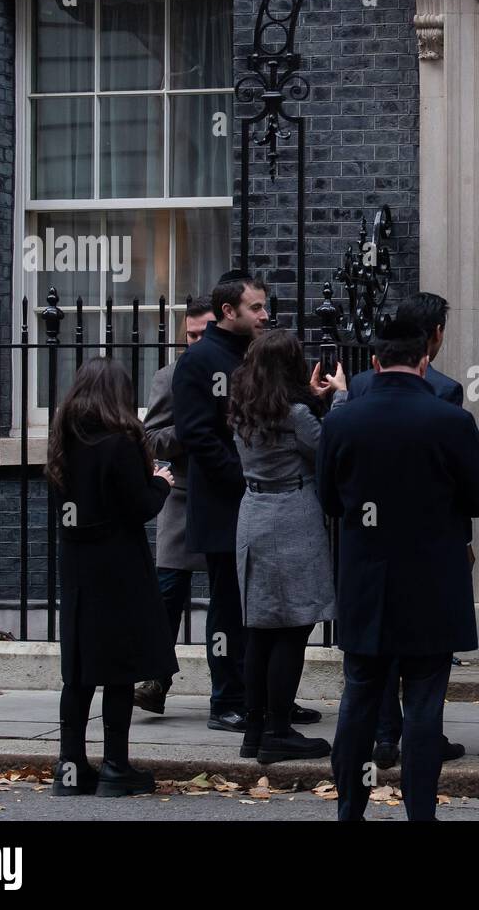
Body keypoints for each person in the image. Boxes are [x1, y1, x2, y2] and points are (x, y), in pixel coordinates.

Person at [319, 321, 479, 821]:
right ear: (424, 361)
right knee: (423, 706)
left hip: (366, 581)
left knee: (358, 699)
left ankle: (350, 809)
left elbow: (329, 501)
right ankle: (421, 813)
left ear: (374, 363)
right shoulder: (450, 421)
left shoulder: (342, 421)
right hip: (432, 581)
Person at [346, 293, 467, 769]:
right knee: (423, 660)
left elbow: (334, 489)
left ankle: (382, 740)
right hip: (427, 544)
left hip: (370, 545)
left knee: (376, 654)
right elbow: (466, 486)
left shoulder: (357, 388)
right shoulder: (446, 392)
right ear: (433, 337)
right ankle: (422, 745)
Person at [46, 358, 177, 797]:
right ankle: (116, 768)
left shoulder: (63, 439)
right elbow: (139, 506)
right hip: (118, 565)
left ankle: (71, 767)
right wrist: (161, 481)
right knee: (119, 668)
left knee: (80, 670)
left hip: (77, 567)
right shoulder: (119, 443)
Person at [228, 329, 347, 764]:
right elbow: (328, 451)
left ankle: (254, 728)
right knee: (293, 628)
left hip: (253, 512)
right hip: (290, 514)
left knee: (260, 629)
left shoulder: (243, 407)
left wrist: (314, 402)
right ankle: (279, 730)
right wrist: (340, 398)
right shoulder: (295, 412)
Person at [172, 271, 267, 732]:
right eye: (256, 308)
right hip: (226, 506)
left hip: (262, 504)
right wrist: (246, 479)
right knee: (229, 607)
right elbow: (196, 436)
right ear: (229, 312)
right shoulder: (200, 360)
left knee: (265, 606)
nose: (264, 315)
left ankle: (267, 699)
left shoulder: (252, 354)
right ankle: (226, 699)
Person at [134, 298, 215, 715]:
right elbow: (151, 438)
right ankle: (155, 677)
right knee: (167, 592)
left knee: (229, 598)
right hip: (181, 492)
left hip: (226, 495)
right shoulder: (170, 376)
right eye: (191, 335)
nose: (197, 342)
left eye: (205, 333)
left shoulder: (233, 372)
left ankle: (230, 692)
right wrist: (192, 431)